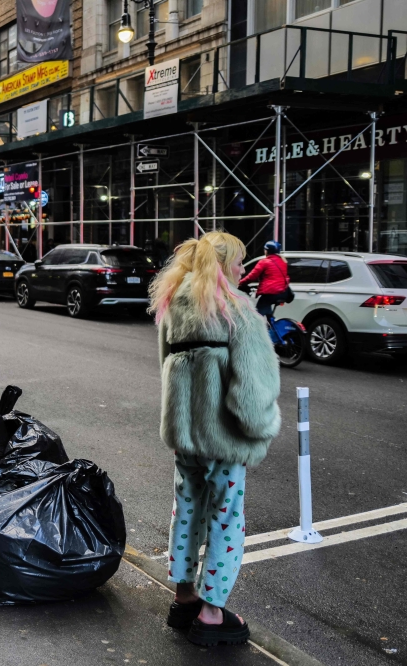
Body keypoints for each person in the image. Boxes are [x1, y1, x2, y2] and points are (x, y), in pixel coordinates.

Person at [148, 231, 280, 647]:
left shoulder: (173, 305)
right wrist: (259, 431)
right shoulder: (237, 311)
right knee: (226, 518)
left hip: (184, 435)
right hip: (223, 437)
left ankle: (184, 597)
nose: (245, 268)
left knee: (186, 509)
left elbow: (165, 367)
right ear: (224, 265)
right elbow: (252, 391)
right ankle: (211, 612)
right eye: (240, 261)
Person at [238, 240, 289, 318]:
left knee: (257, 317)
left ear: (267, 251)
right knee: (267, 312)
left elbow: (252, 277)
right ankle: (271, 326)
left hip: (270, 293)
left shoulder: (264, 262)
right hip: (281, 292)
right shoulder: (283, 261)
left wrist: (240, 282)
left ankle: (260, 328)